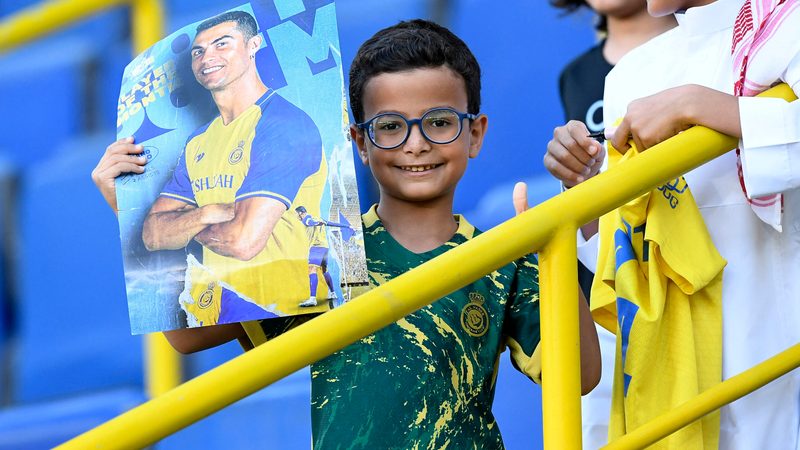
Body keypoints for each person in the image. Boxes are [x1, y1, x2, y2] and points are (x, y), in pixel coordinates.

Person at [93, 19, 602, 448]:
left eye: (441, 122)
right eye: (389, 126)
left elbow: (580, 377)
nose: (416, 144)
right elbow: (188, 335)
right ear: (359, 142)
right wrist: (131, 210)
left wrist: (552, 245)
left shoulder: (504, 257)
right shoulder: (323, 254)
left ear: (476, 133)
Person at [544, 0, 800, 447]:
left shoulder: (788, 24)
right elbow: (626, 246)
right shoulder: (632, 72)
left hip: (779, 340)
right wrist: (585, 186)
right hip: (671, 364)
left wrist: (701, 106)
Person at [103, 10, 331, 328]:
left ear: (254, 45)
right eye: (199, 50)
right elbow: (152, 234)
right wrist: (209, 212)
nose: (207, 57)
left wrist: (182, 228)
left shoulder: (284, 124)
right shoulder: (199, 141)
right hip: (224, 310)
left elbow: (243, 242)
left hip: (294, 311)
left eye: (222, 44)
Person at [550, 1, 675, 447]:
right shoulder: (576, 74)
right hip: (608, 292)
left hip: (685, 272)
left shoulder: (705, 49)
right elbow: (587, 197)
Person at [294, 205, 351, 307]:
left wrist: (316, 223)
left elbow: (309, 222)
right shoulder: (318, 217)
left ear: (300, 213)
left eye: (296, 214)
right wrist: (346, 226)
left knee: (312, 269)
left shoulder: (307, 218)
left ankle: (312, 299)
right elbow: (331, 223)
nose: (296, 216)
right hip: (325, 247)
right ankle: (333, 292)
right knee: (324, 270)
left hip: (316, 247)